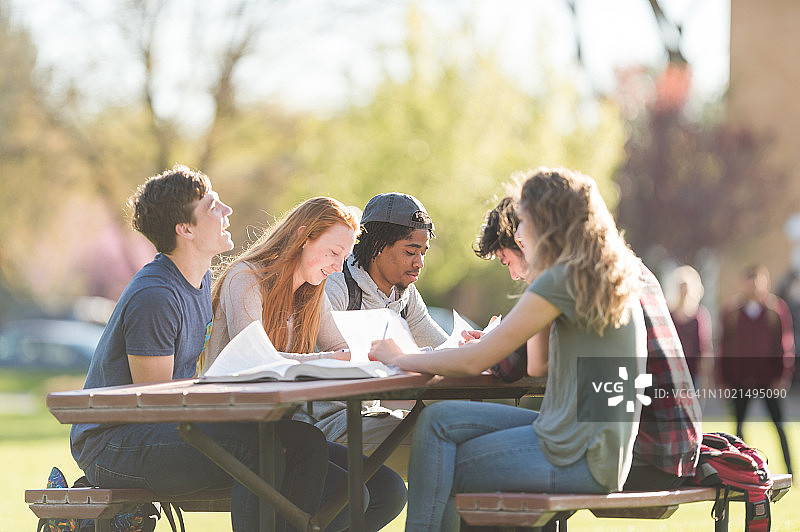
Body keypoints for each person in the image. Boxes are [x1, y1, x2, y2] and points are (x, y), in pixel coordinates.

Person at [370, 167, 648, 531]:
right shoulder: (601, 272)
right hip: (599, 450)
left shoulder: (562, 278)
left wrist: (400, 357)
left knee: (444, 458)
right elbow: (539, 364)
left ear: (546, 222)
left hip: (576, 453)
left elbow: (476, 360)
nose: (517, 232)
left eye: (524, 220)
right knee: (438, 421)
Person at [69, 166, 329, 532]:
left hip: (158, 430)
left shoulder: (199, 279)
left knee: (305, 442)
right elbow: (156, 403)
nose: (227, 211)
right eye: (212, 206)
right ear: (185, 229)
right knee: (257, 451)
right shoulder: (156, 296)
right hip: (113, 445)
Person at [202, 196, 407, 531]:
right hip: (233, 429)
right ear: (303, 237)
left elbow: (343, 348)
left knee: (389, 490)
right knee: (349, 498)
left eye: (344, 256)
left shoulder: (313, 291)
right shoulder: (246, 278)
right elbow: (257, 359)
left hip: (282, 429)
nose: (338, 267)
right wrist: (336, 357)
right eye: (333, 253)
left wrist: (378, 355)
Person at [472, 195, 701, 491]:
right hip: (677, 446)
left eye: (508, 260)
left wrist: (490, 343)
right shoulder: (627, 265)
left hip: (639, 454)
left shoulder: (573, 277)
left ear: (527, 240)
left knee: (476, 458)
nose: (515, 274)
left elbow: (508, 366)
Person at [316, 192, 448, 454]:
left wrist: (473, 345)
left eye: (423, 252)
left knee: (457, 428)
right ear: (376, 245)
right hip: (327, 425)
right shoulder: (336, 284)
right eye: (411, 251)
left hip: (368, 416)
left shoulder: (404, 294)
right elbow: (347, 360)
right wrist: (421, 358)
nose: (419, 263)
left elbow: (442, 347)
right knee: (441, 440)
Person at [718, 263, 794, 475]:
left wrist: (782, 376)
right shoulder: (731, 313)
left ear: (765, 283)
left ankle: (790, 473)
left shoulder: (775, 311)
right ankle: (743, 471)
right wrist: (723, 380)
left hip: (768, 380)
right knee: (738, 430)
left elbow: (784, 345)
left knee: (779, 427)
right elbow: (723, 347)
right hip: (740, 380)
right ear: (742, 284)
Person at [668, 265, 713, 387]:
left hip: (693, 371)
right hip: (672, 369)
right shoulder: (668, 315)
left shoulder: (700, 316)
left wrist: (705, 368)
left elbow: (704, 344)